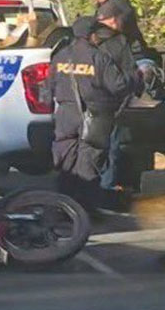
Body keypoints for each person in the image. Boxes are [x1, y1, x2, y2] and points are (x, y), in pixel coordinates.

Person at [49, 17, 133, 211]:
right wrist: (134, 78)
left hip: (65, 115)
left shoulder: (60, 56)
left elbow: (48, 87)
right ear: (92, 36)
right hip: (92, 116)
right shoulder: (98, 58)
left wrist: (50, 113)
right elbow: (118, 86)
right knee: (88, 162)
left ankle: (63, 207)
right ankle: (85, 210)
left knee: (66, 161)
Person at [94, 1, 139, 210]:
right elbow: (130, 74)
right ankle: (106, 190)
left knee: (91, 148)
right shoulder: (119, 42)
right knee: (112, 148)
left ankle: (90, 190)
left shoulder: (87, 42)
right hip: (114, 105)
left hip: (89, 103)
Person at [86, 0, 157, 62]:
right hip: (121, 56)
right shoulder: (104, 4)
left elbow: (110, 26)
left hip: (133, 57)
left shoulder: (115, 3)